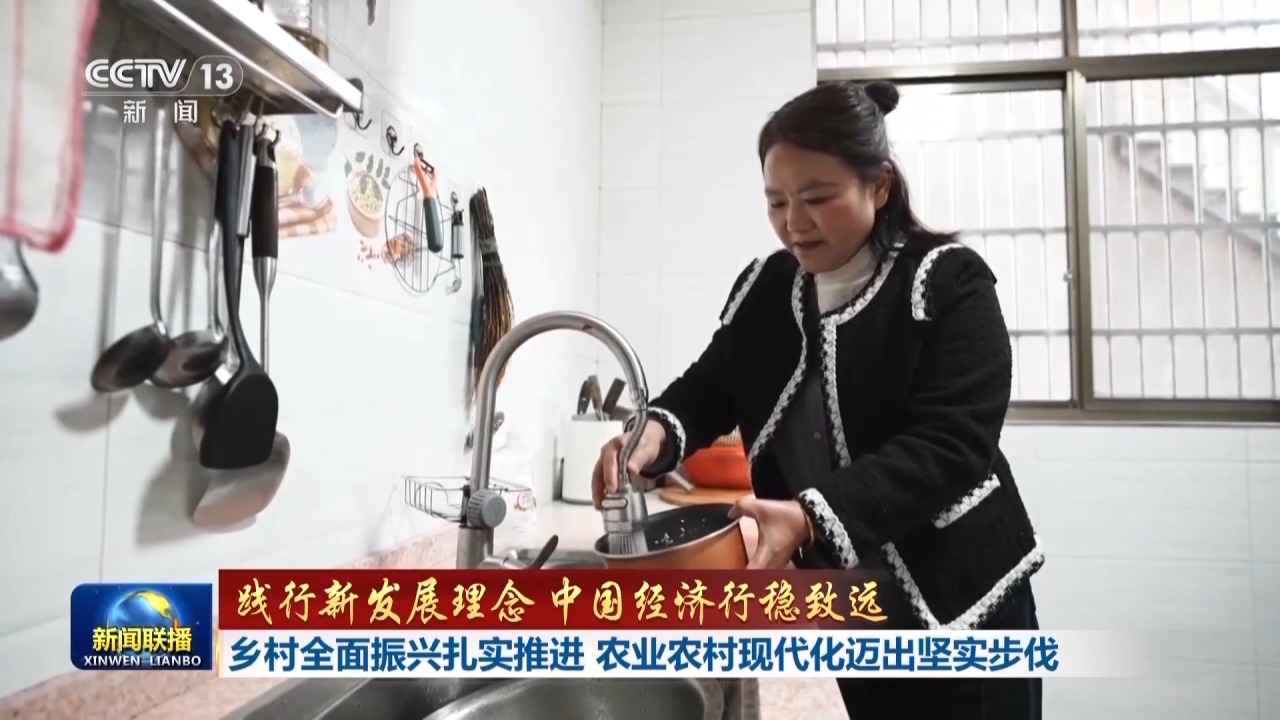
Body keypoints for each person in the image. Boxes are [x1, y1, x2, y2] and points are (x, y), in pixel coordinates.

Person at [591, 79, 1043, 720]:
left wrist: (809, 517)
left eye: (818, 199)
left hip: (962, 607)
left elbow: (953, 445)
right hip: (848, 607)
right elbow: (707, 389)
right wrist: (648, 437)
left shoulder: (947, 281)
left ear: (879, 186)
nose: (793, 224)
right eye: (776, 202)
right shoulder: (768, 288)